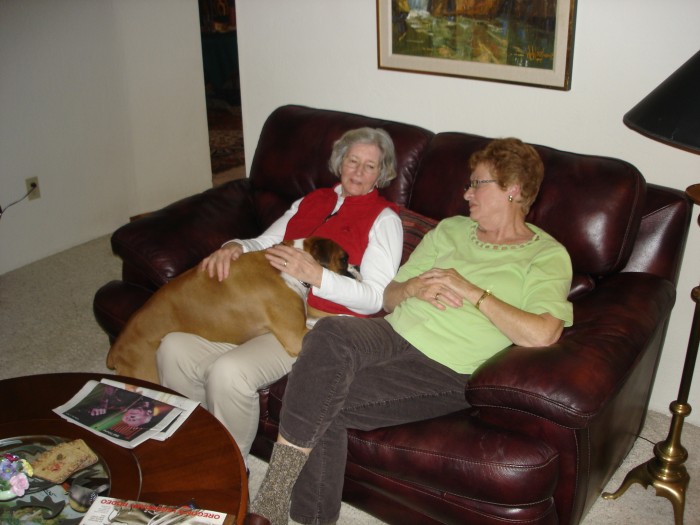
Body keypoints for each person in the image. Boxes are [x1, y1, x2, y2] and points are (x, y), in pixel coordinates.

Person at [247, 138, 574, 525]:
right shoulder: (451, 229)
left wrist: (470, 291)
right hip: (391, 335)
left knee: (323, 399)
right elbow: (388, 296)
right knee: (331, 332)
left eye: (477, 184)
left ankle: (274, 504)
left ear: (513, 190)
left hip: (445, 366)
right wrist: (412, 288)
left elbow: (543, 333)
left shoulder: (546, 255)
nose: (466, 193)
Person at [156, 127, 404, 464]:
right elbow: (266, 242)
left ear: (382, 173)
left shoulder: (384, 219)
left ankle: (229, 470)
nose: (358, 172)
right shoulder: (312, 200)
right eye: (352, 160)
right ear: (340, 162)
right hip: (263, 306)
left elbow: (377, 297)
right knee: (173, 348)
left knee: (229, 372)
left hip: (317, 325)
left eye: (370, 166)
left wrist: (317, 277)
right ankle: (200, 445)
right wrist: (233, 247)